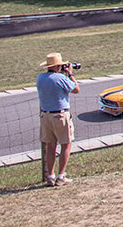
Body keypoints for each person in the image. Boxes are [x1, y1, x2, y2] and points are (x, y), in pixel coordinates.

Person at [36, 53, 80, 186]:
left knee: (50, 146)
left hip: (45, 116)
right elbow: (76, 89)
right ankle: (61, 176)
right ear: (57, 66)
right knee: (66, 144)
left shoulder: (40, 78)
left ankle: (50, 176)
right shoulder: (60, 78)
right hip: (60, 115)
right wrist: (70, 74)